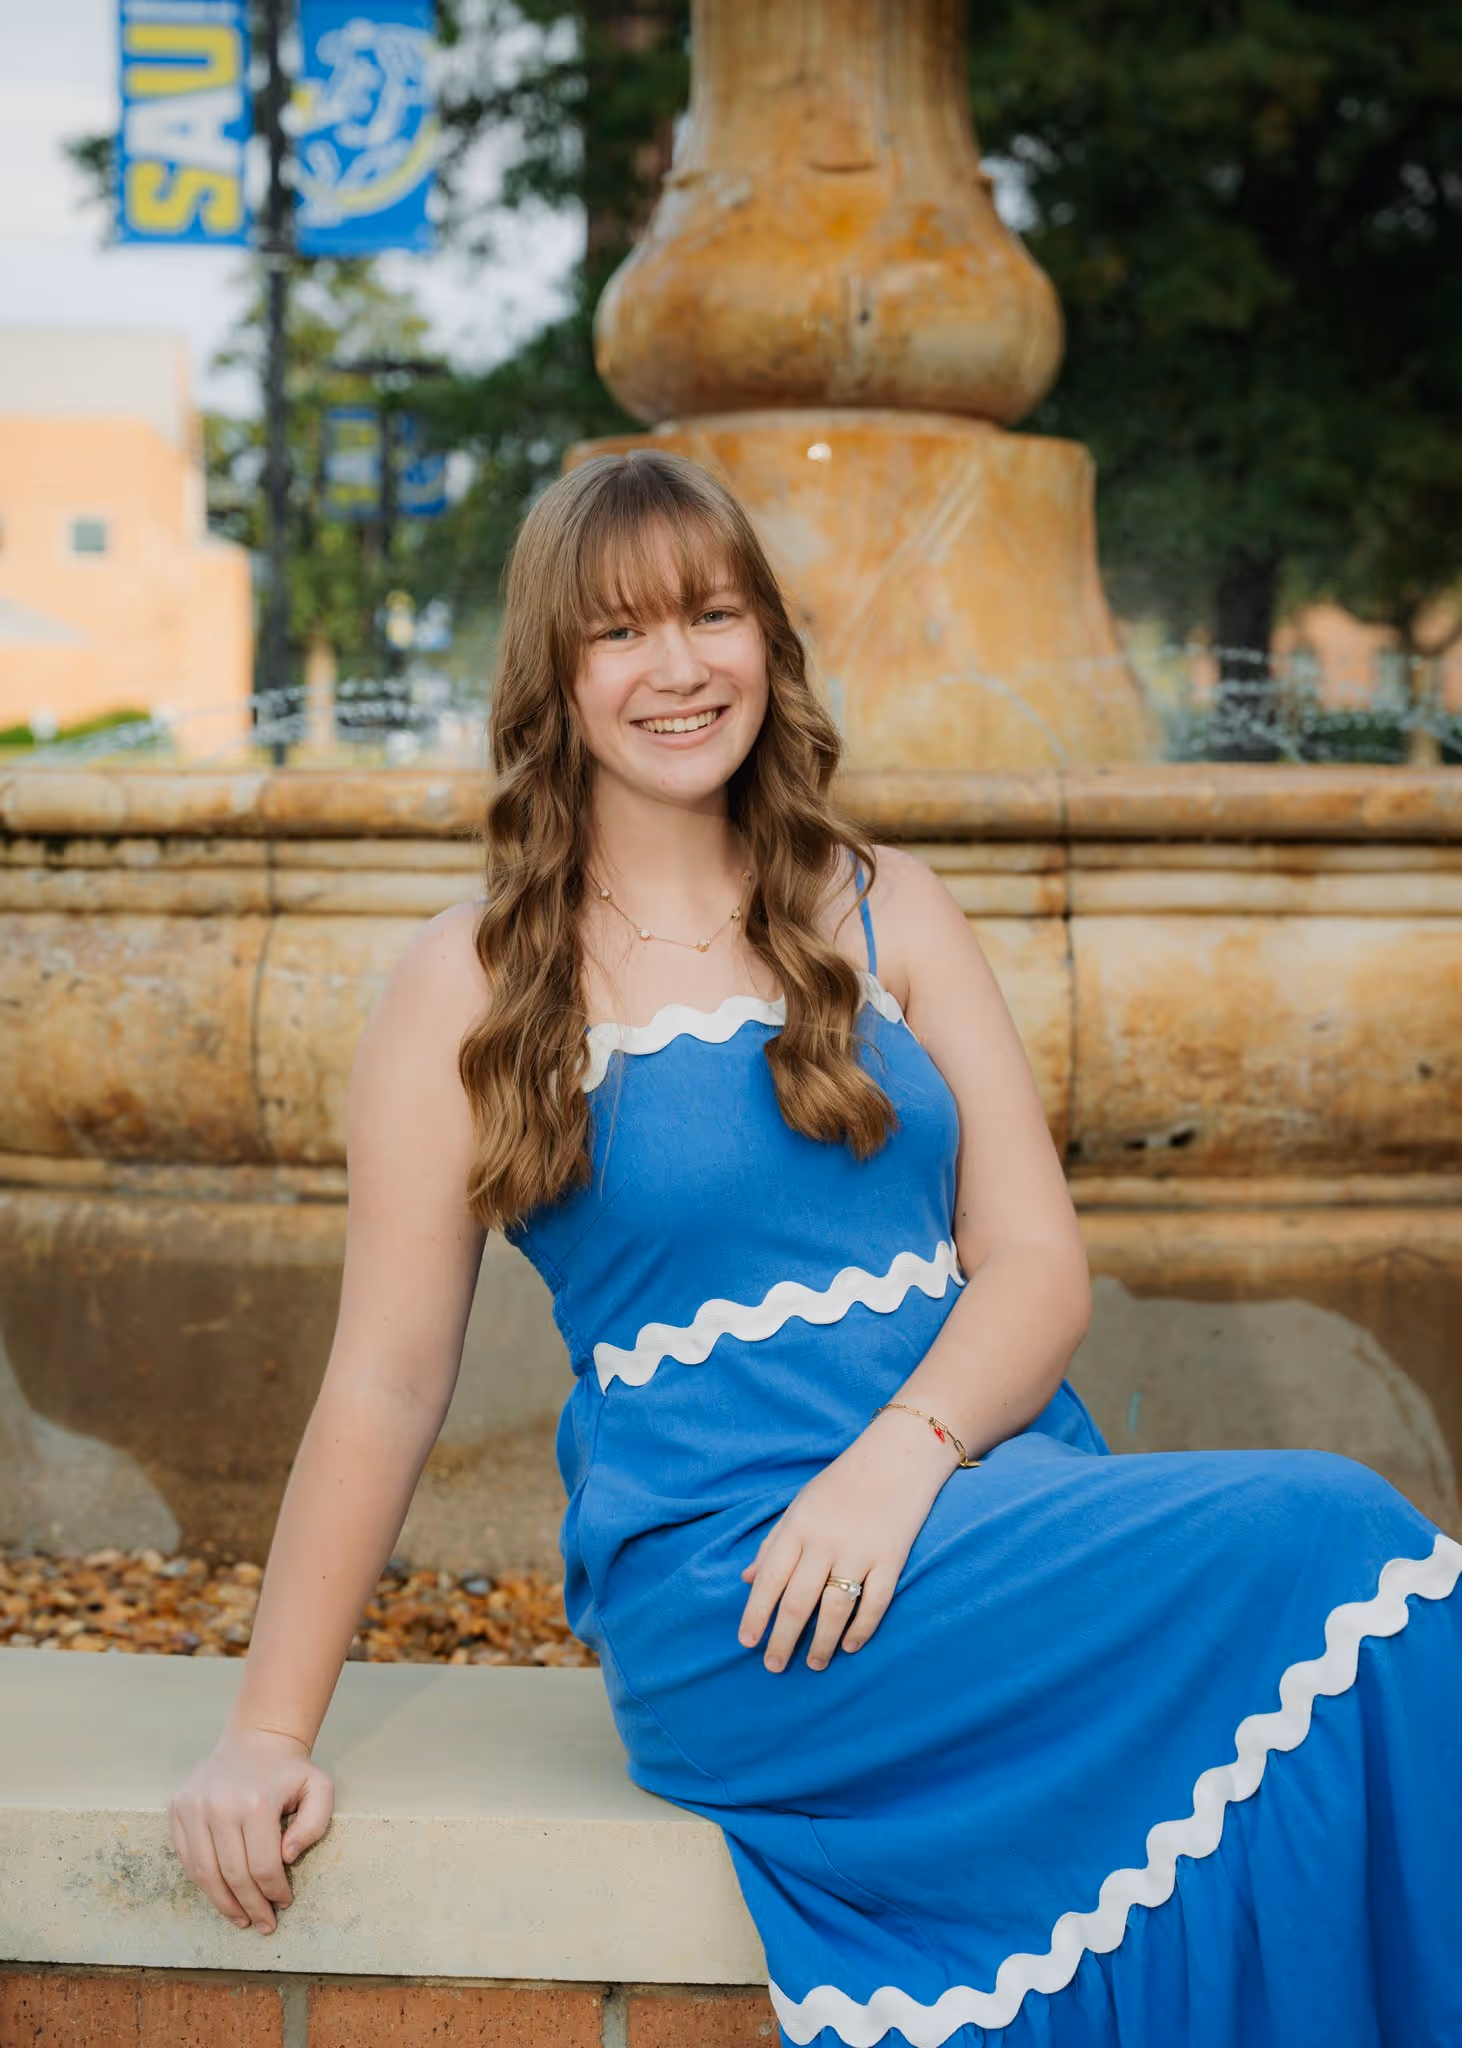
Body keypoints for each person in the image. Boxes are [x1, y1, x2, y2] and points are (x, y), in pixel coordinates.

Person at [170, 449, 1462, 2046]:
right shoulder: (471, 983)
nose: (677, 666)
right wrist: (264, 1729)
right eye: (619, 632)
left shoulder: (887, 908)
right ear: (552, 678)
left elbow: (1036, 1266)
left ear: (766, 643)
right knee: (1331, 1528)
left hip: (969, 1497)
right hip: (744, 1588)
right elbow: (382, 1381)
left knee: (1346, 1590)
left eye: (711, 614)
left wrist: (896, 1458)